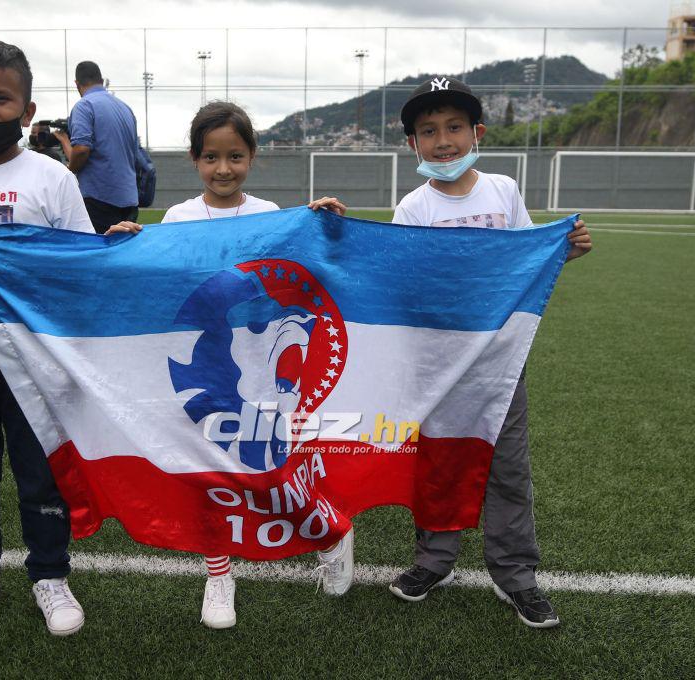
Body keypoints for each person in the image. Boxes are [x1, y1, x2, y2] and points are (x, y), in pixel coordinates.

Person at [0, 38, 140, 637]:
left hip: (34, 362)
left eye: (1, 98)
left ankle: (50, 577)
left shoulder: (53, 178)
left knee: (42, 478)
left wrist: (115, 244)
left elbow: (80, 261)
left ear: (28, 110)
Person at [129, 101, 351, 630]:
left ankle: (331, 535)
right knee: (206, 467)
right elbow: (157, 277)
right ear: (194, 159)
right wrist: (128, 246)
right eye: (210, 157)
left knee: (273, 464)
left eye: (234, 156)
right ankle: (218, 573)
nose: (222, 169)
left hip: (263, 366)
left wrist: (322, 225)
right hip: (207, 366)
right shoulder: (178, 219)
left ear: (252, 156)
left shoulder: (269, 214)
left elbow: (300, 269)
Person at [387, 76, 592, 629]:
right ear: (414, 145)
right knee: (439, 464)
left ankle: (516, 575)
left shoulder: (503, 189)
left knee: (507, 472)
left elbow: (525, 261)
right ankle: (434, 560)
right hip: (438, 368)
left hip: (501, 367)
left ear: (477, 132)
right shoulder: (412, 206)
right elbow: (403, 281)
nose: (443, 140)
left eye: (454, 126)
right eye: (428, 131)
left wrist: (560, 252)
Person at [56, 61, 140, 233]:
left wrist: (69, 172)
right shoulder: (125, 108)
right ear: (101, 80)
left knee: (97, 254)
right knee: (122, 256)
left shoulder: (84, 105)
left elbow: (81, 149)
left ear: (77, 84)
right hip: (129, 199)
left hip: (99, 199)